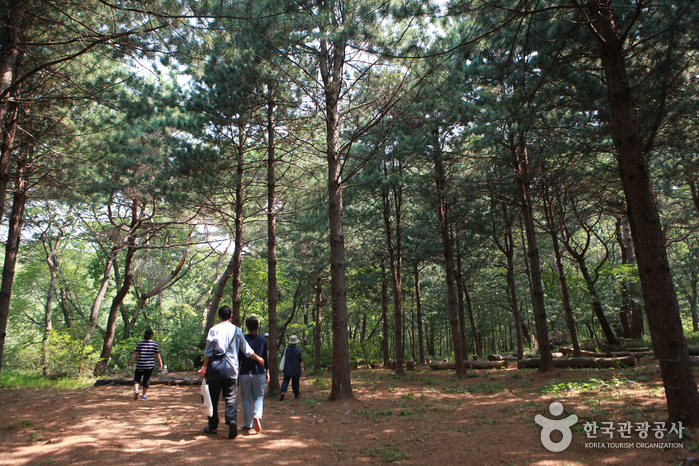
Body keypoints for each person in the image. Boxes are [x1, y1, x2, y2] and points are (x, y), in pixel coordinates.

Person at [198, 306, 265, 439]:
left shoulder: (213, 330)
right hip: (232, 369)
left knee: (213, 398)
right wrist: (259, 359)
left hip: (215, 368)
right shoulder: (237, 330)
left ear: (219, 316)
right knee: (231, 397)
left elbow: (208, 351)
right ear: (230, 316)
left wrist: (204, 367)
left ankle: (212, 426)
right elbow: (246, 350)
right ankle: (232, 421)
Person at [238, 316, 269, 435]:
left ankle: (247, 424)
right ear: (257, 326)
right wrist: (267, 371)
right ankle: (257, 415)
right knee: (259, 397)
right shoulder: (262, 339)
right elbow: (265, 358)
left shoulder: (243, 339)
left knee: (246, 399)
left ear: (246, 326)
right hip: (259, 372)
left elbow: (240, 357)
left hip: (245, 373)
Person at [128, 328, 163, 401]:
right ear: (151, 335)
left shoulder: (140, 343)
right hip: (149, 365)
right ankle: (143, 395)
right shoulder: (154, 344)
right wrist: (160, 362)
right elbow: (157, 354)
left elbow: (135, 353)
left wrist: (131, 362)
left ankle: (136, 391)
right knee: (146, 380)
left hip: (140, 364)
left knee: (137, 379)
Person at [279, 335, 304, 401]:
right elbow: (300, 361)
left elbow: (282, 358)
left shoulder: (286, 349)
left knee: (285, 381)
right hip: (296, 369)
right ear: (296, 342)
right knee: (295, 382)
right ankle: (296, 394)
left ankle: (283, 391)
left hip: (287, 369)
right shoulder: (298, 351)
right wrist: (302, 369)